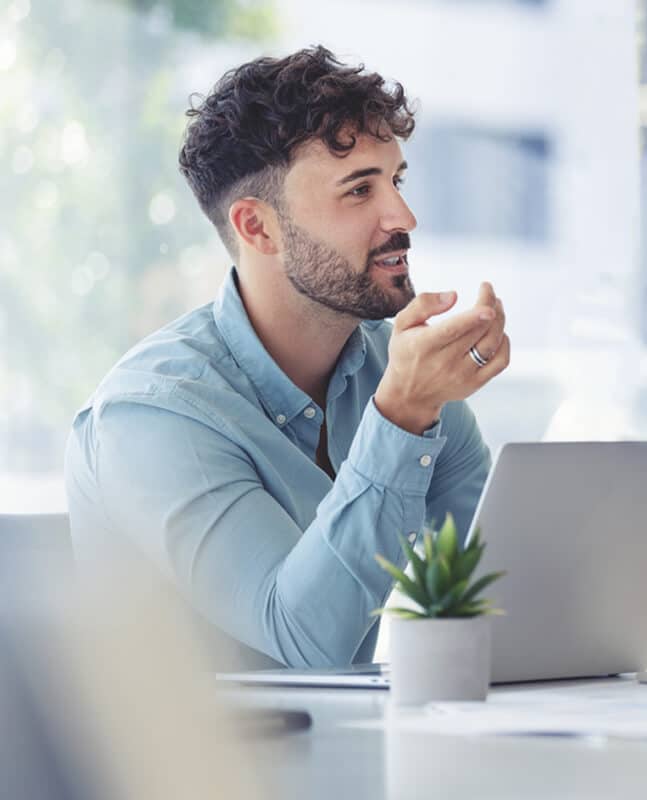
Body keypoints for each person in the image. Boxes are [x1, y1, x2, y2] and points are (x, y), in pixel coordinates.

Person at [65, 46, 510, 669]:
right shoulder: (151, 416)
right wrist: (402, 416)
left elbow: (501, 591)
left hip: (351, 753)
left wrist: (641, 660)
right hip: (200, 766)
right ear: (257, 228)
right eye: (359, 191)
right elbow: (304, 638)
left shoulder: (398, 373)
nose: (403, 217)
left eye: (396, 181)